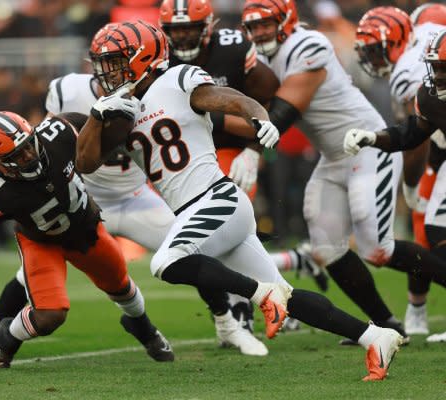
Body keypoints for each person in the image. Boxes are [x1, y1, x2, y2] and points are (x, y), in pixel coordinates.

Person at [76, 20, 403, 381]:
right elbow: (86, 162)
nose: (107, 71)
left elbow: (232, 99)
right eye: (104, 63)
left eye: (116, 60)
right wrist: (97, 115)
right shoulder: (120, 109)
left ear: (143, 58)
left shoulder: (177, 79)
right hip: (203, 210)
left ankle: (262, 295)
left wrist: (260, 117)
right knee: (289, 297)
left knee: (167, 262)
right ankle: (375, 336)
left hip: (216, 198)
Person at [0, 66, 269, 359]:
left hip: (135, 196)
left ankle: (227, 324)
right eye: (107, 63)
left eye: (120, 63)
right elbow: (46, 145)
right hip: (84, 196)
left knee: (189, 251)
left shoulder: (152, 92)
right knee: (29, 274)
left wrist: (251, 139)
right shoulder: (67, 90)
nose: (114, 71)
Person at [240, 0, 446, 345]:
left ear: (288, 19)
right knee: (326, 247)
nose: (259, 32)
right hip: (335, 155)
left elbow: (286, 109)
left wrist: (247, 146)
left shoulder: (309, 44)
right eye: (253, 26)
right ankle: (385, 324)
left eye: (266, 23)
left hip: (368, 151)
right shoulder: (260, 58)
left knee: (377, 249)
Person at [0, 110, 174, 368]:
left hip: (86, 230)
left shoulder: (57, 132)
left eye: (29, 145)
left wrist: (108, 121)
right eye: (18, 155)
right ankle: (6, 336)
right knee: (49, 316)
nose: (30, 155)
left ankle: (145, 330)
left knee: (120, 285)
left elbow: (91, 124)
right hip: (41, 244)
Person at [159, 0, 328, 333]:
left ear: (207, 27)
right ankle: (286, 276)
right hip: (189, 152)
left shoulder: (234, 48)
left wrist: (253, 149)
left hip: (229, 147)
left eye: (189, 30)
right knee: (215, 240)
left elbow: (269, 106)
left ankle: (242, 313)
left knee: (216, 234)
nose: (182, 38)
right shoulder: (159, 58)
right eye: (175, 31)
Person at [343, 28, 446, 344]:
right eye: (436, 67)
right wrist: (374, 138)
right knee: (436, 231)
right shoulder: (429, 94)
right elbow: (412, 134)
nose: (438, 75)